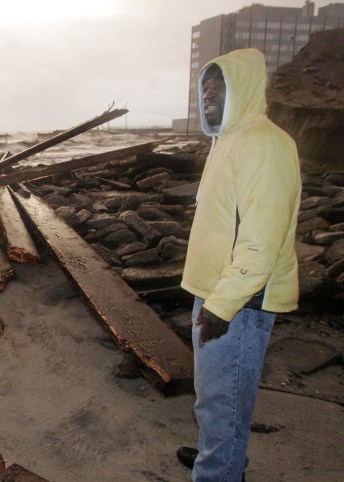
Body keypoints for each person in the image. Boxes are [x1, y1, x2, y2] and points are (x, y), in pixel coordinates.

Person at [178, 48, 302, 481]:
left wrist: (222, 304)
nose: (209, 91)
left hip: (239, 306)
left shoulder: (265, 145)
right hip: (217, 295)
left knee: (223, 406)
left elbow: (261, 238)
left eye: (221, 83)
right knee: (215, 402)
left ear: (245, 88)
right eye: (206, 84)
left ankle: (219, 469)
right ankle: (221, 459)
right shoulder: (229, 141)